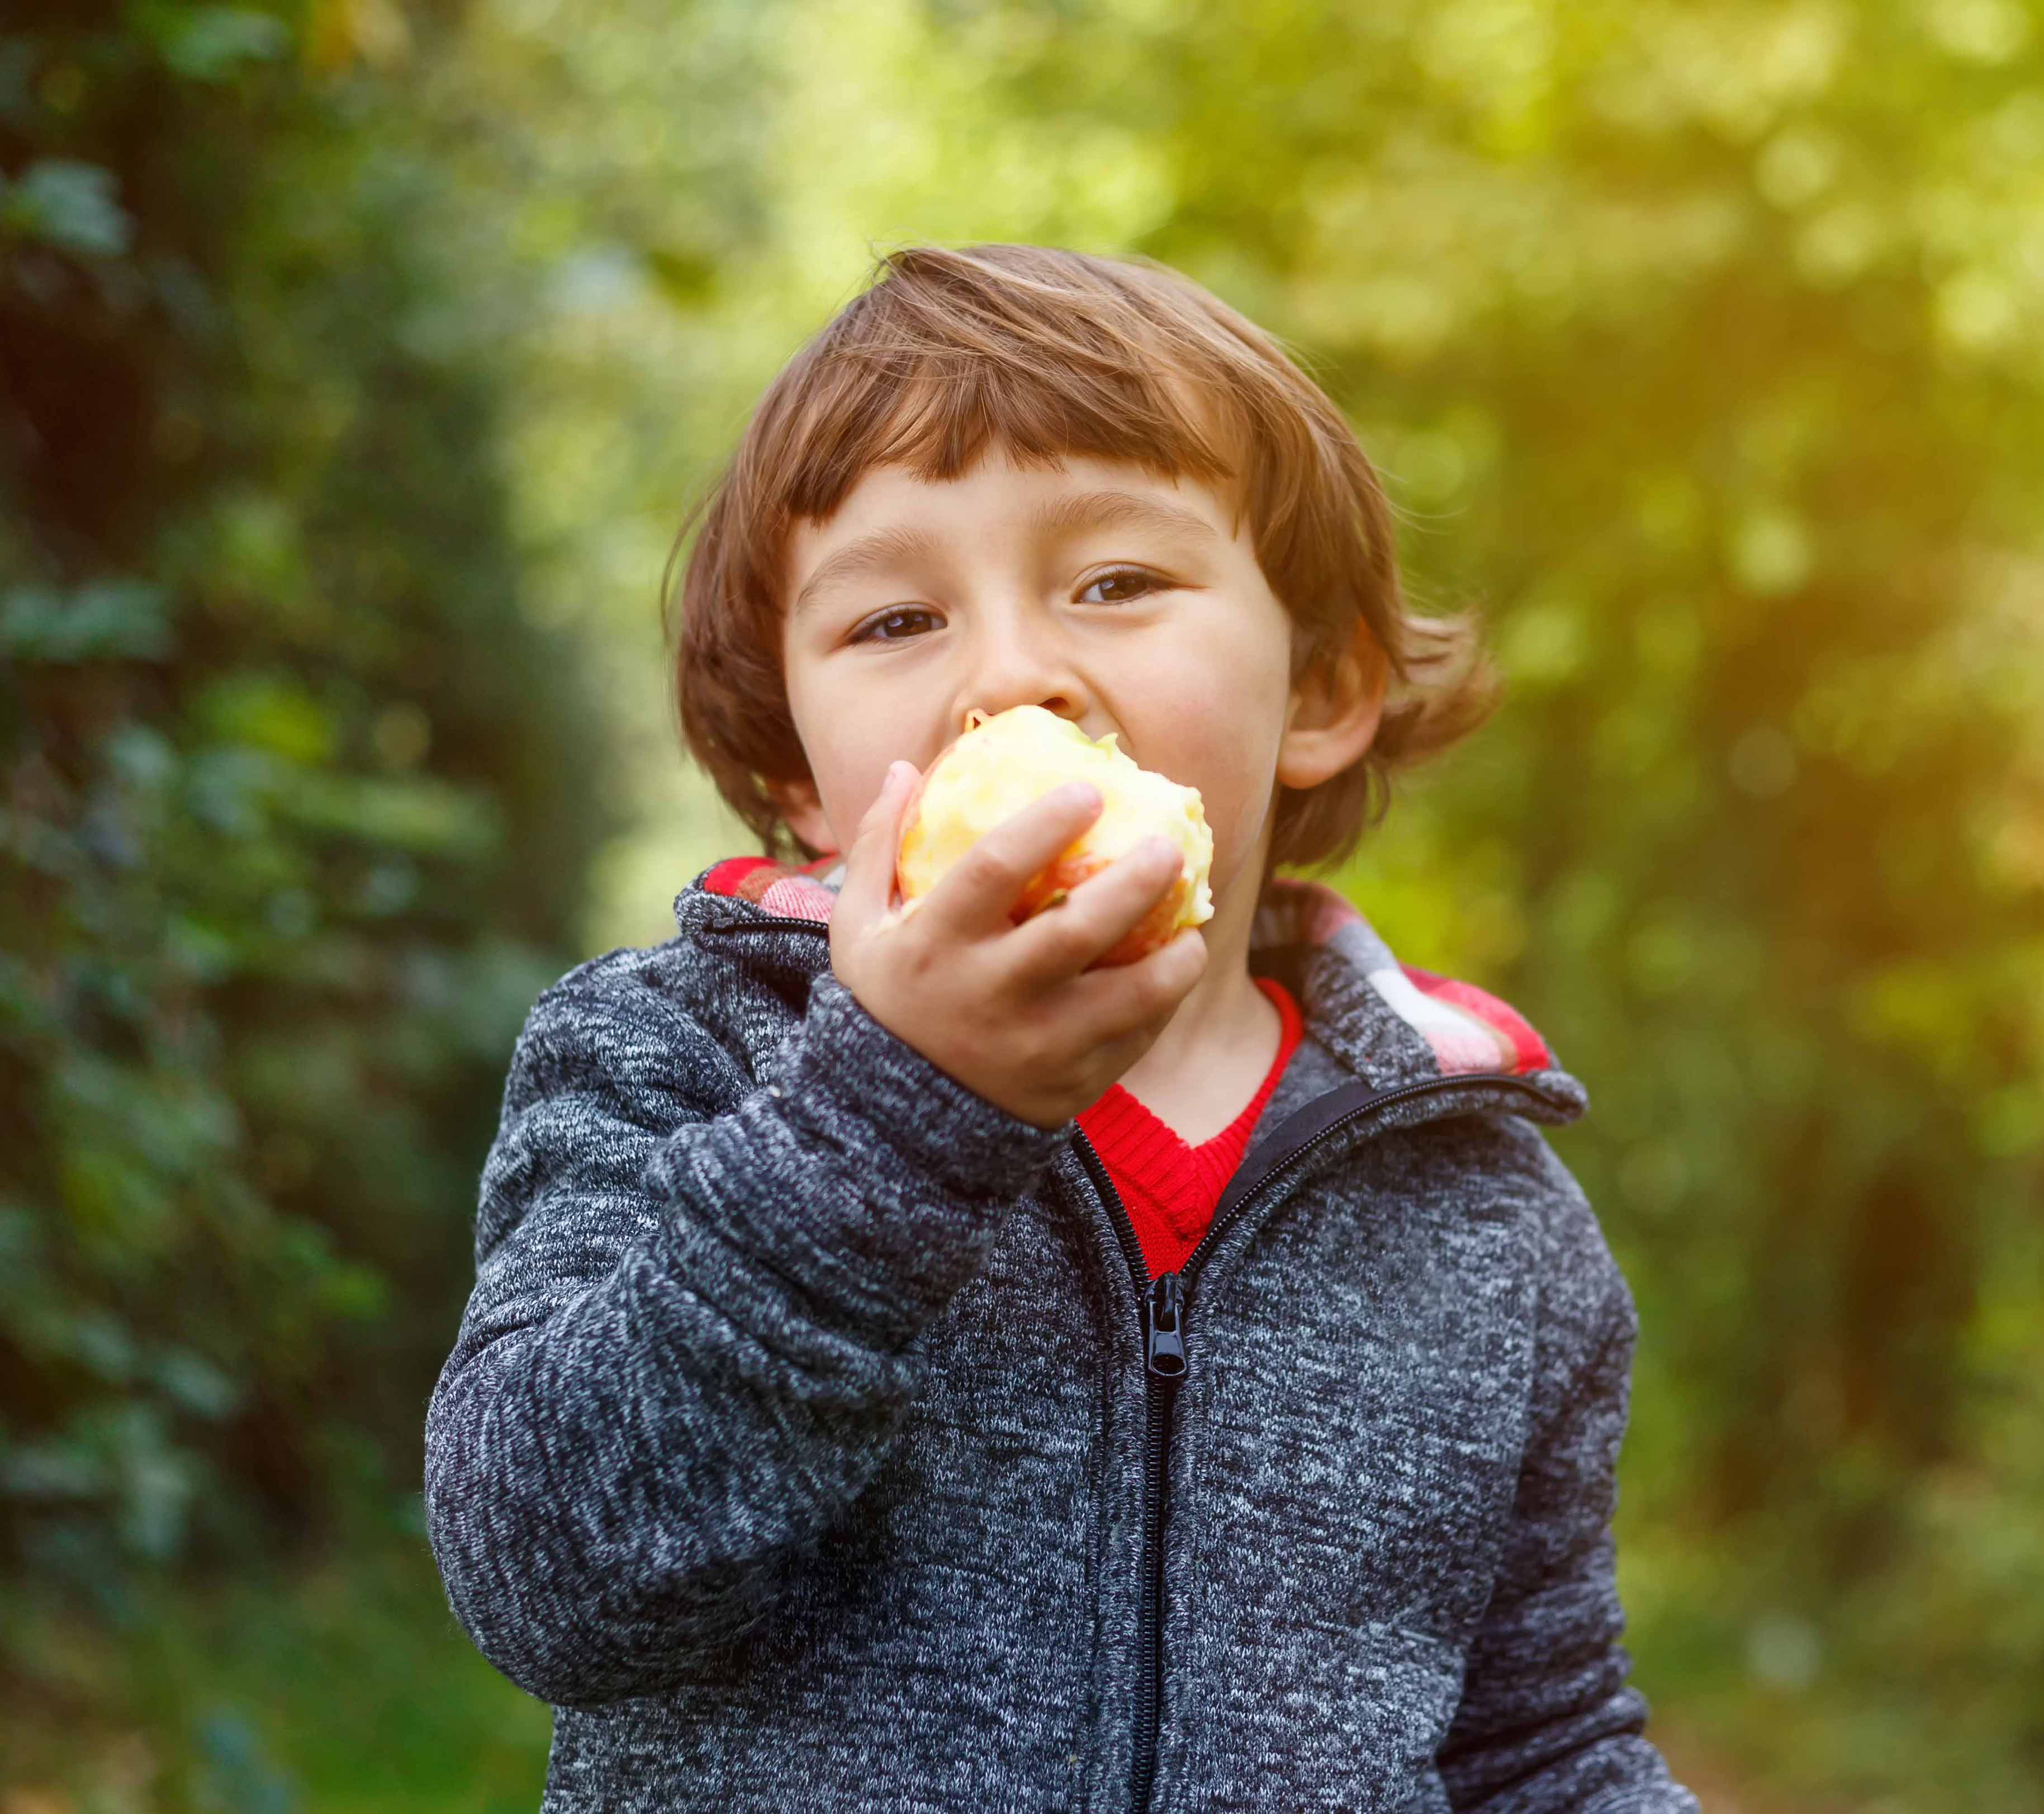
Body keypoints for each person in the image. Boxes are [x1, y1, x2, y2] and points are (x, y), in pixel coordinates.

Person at [423, 242, 1697, 1812]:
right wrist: (888, 1115)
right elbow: (545, 1577)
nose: (1012, 676)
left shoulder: (1482, 1207)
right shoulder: (676, 1060)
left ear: (1322, 688)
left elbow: (1539, 1747)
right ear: (802, 775)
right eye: (894, 621)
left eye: (1114, 583)